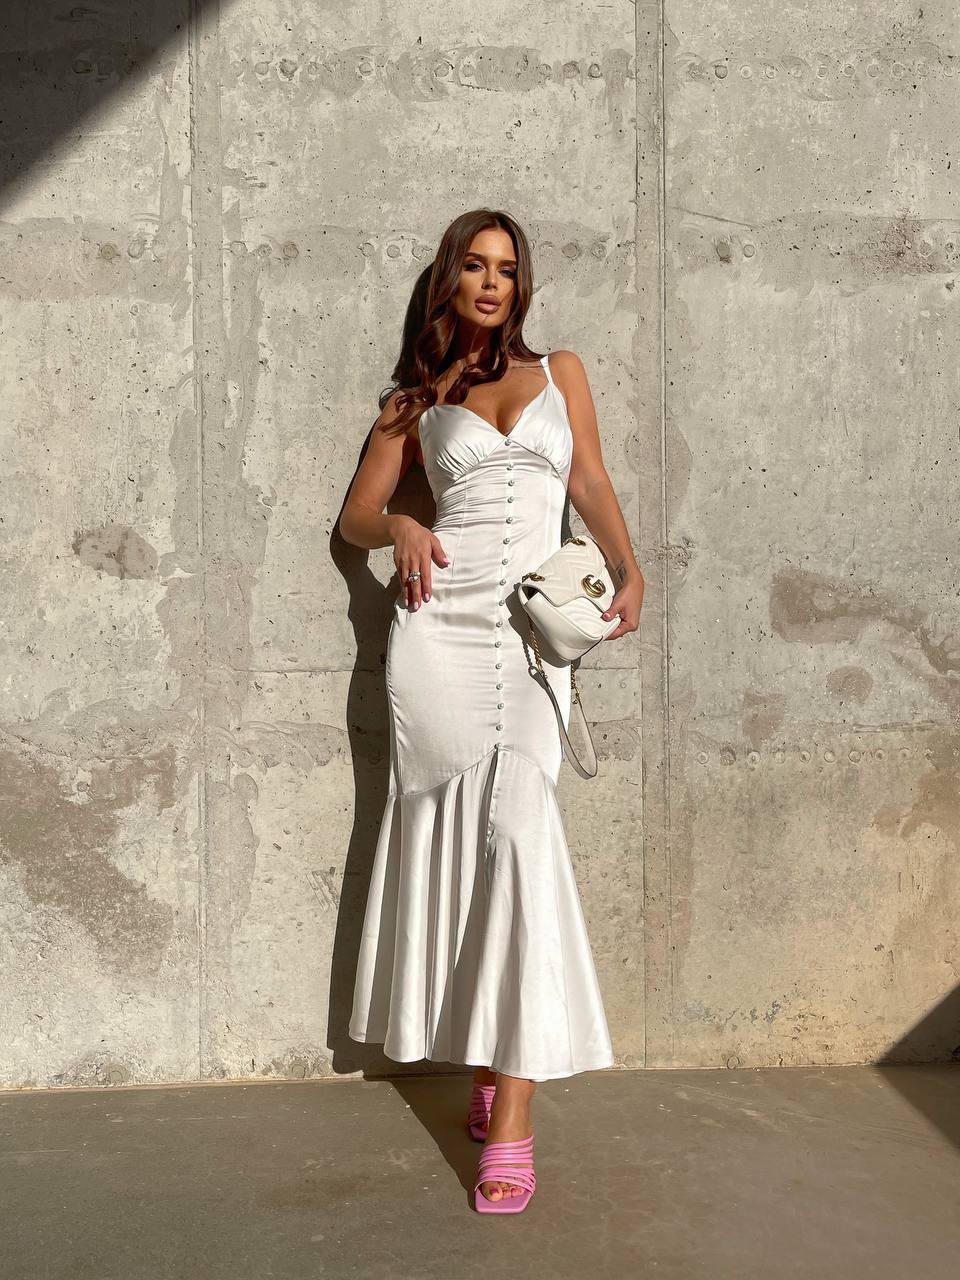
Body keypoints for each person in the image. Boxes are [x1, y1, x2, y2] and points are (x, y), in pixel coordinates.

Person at [339, 208, 644, 1213]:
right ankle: (495, 1064)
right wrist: (405, 523)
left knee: (518, 834)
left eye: (506, 269)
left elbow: (589, 477)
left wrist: (631, 568)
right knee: (455, 845)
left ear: (522, 286)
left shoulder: (563, 371)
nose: (490, 281)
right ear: (447, 280)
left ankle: (511, 1113)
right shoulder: (415, 402)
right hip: (437, 637)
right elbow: (352, 519)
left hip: (532, 634)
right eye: (473, 264)